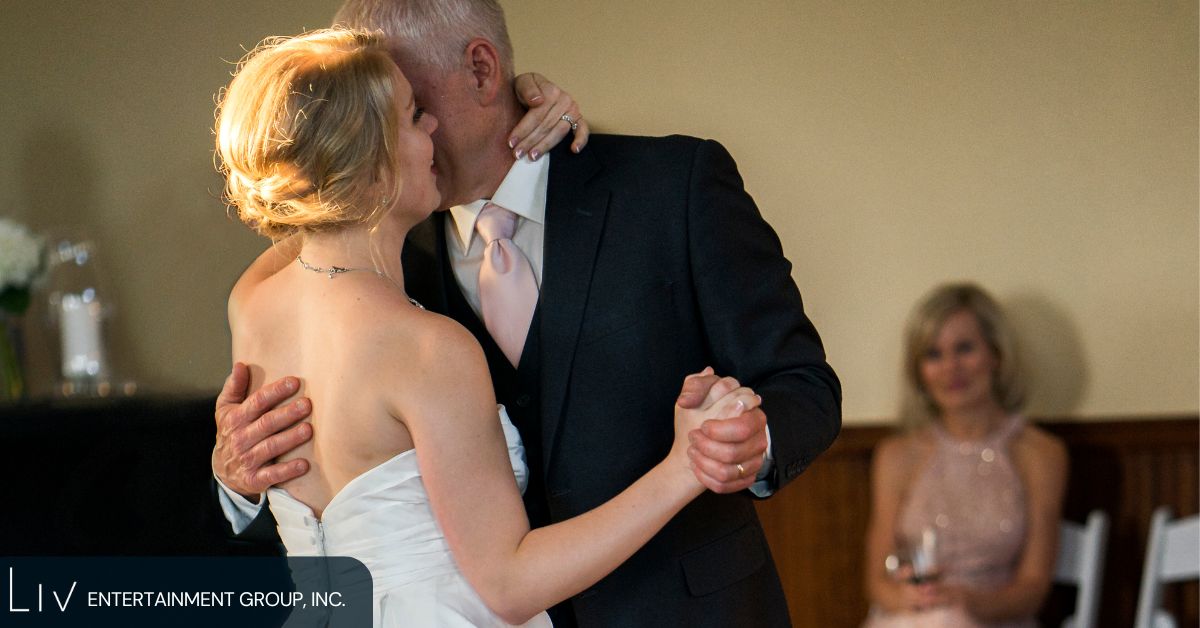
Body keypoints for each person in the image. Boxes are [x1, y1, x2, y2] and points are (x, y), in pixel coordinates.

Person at [214, 1, 842, 625]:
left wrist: (748, 441)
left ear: (482, 71)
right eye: (402, 113)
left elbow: (803, 385)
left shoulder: (671, 185)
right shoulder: (383, 261)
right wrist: (237, 479)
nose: (424, 129)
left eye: (413, 100)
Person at [862, 283, 1068, 628]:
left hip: (996, 618)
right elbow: (876, 581)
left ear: (996, 354)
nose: (950, 368)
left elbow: (1034, 587)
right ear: (919, 371)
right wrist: (911, 598)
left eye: (965, 349)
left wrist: (971, 603)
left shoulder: (1039, 453)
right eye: (933, 354)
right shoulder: (896, 455)